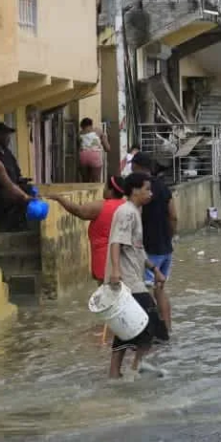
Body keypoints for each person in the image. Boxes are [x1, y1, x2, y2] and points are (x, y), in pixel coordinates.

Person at [105, 172, 169, 379]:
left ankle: (120, 372)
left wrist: (154, 269)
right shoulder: (126, 212)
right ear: (134, 190)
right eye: (147, 189)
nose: (150, 193)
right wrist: (116, 271)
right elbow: (116, 242)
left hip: (134, 278)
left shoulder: (135, 212)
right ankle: (134, 366)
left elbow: (137, 249)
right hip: (127, 282)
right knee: (151, 325)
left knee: (127, 326)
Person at [47, 175, 127, 283]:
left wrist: (59, 198)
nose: (103, 189)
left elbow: (79, 211)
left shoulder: (102, 206)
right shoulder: (126, 206)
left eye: (105, 187)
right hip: (123, 257)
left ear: (111, 190)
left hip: (105, 258)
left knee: (107, 292)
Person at [130, 152, 176, 330]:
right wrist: (169, 238)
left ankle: (150, 330)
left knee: (145, 291)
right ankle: (167, 328)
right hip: (166, 248)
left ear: (138, 167)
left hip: (148, 250)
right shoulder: (164, 187)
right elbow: (173, 216)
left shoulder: (139, 190)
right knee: (160, 290)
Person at [78, 118, 109, 182]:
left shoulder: (79, 134)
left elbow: (78, 147)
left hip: (83, 156)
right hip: (95, 156)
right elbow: (107, 148)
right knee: (96, 181)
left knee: (85, 181)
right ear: (91, 125)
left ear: (82, 126)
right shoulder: (98, 131)